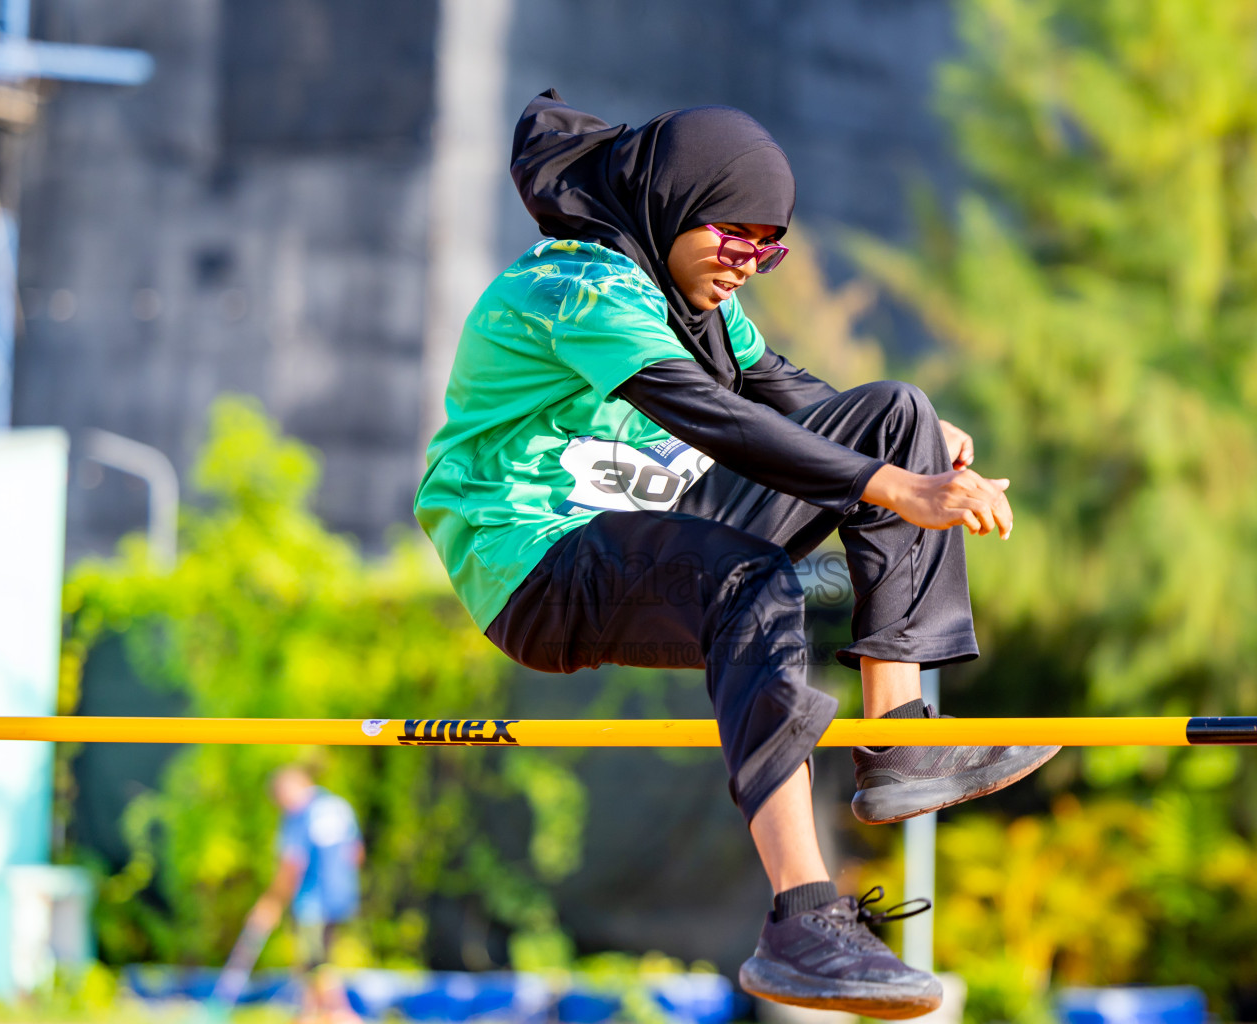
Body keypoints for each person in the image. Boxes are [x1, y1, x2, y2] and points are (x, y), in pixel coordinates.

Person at [415, 88, 1058, 1019]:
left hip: (653, 533)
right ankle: (804, 920)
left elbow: (782, 389)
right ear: (674, 204)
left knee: (897, 415)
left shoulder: (697, 305)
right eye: (734, 238)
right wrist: (897, 489)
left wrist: (909, 452)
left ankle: (901, 739)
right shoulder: (577, 287)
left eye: (770, 247)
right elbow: (716, 419)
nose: (748, 264)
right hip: (536, 565)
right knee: (753, 578)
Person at [249, 765, 364, 1024]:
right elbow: (356, 853)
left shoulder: (300, 814)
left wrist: (272, 903)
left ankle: (341, 1013)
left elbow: (293, 864)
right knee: (320, 955)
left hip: (314, 899)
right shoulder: (338, 805)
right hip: (342, 896)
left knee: (316, 961)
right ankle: (310, 1012)